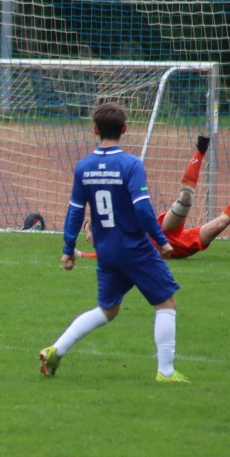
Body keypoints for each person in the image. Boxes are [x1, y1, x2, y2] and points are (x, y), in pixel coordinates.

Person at [39, 102, 187, 384]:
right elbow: (142, 208)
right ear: (124, 129)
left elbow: (75, 211)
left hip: (106, 251)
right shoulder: (131, 164)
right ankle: (166, 372)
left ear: (95, 130)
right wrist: (161, 240)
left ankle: (56, 350)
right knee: (166, 303)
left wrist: (68, 249)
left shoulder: (84, 167)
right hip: (135, 249)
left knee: (108, 310)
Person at [81, 135, 230, 259]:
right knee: (221, 223)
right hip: (182, 245)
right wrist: (80, 254)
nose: (87, 238)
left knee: (185, 200)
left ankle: (200, 150)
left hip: (162, 231)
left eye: (87, 232)